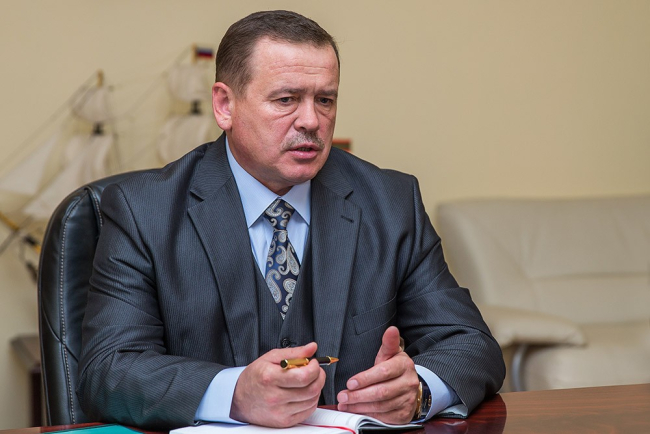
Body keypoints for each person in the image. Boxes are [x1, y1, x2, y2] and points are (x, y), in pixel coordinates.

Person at [77, 10, 504, 431]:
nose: (312, 121)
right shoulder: (143, 210)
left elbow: (470, 344)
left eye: (325, 100)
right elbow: (108, 369)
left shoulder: (390, 203)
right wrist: (233, 393)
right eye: (286, 100)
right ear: (225, 105)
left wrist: (418, 391)